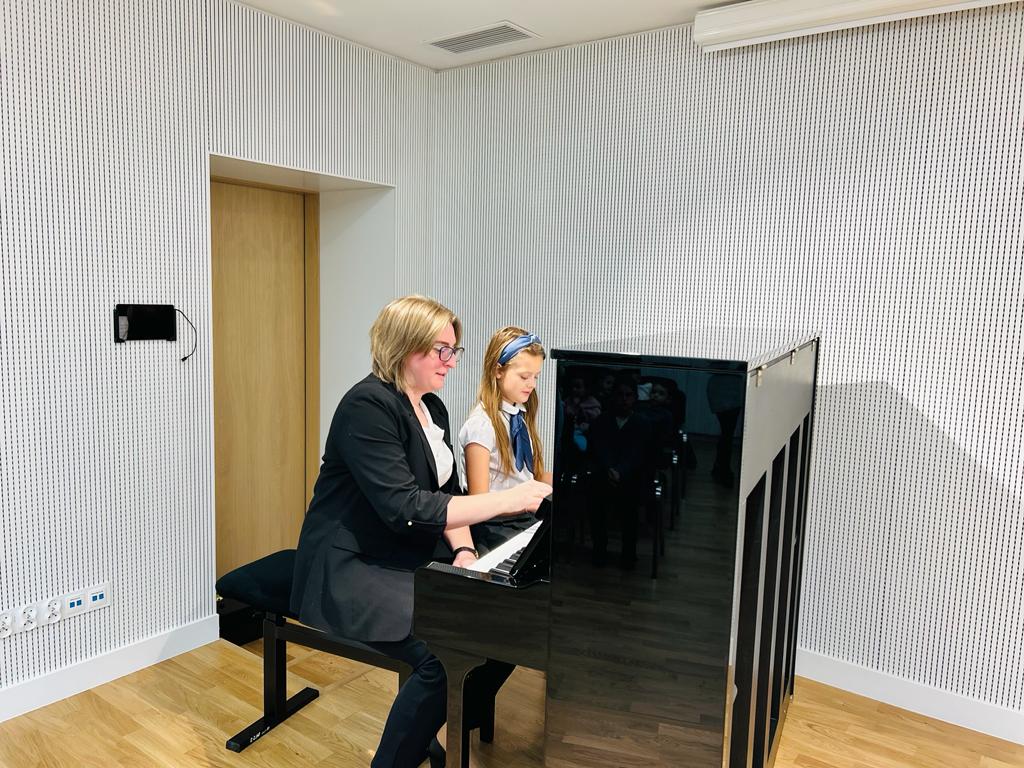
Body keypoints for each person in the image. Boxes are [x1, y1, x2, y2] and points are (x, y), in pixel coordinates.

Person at [290, 296, 551, 768]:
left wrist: (465, 551)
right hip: (350, 563)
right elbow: (405, 508)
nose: (451, 361)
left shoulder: (432, 407)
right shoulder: (367, 405)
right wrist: (513, 499)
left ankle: (443, 721)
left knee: (507, 622)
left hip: (405, 550)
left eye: (454, 350)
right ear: (403, 347)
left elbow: (445, 493)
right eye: (441, 350)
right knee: (440, 652)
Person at [457, 327, 553, 554]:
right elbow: (478, 501)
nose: (532, 384)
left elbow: (528, 477)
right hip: (493, 525)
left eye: (536, 377)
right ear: (498, 371)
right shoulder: (481, 426)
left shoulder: (519, 415)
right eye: (524, 377)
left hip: (524, 517)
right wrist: (524, 501)